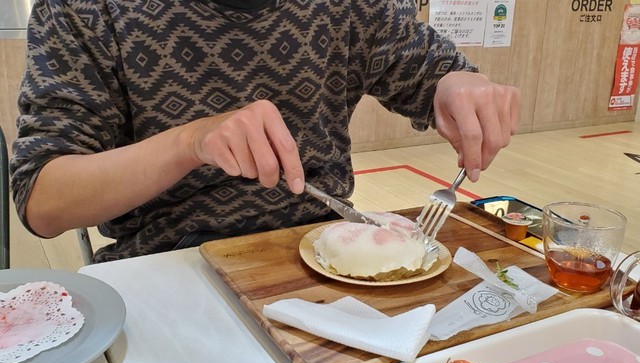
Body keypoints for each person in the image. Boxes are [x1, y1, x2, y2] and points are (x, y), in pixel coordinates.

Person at [11, 0, 520, 262]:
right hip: (167, 265)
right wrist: (190, 142)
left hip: (324, 252)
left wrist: (459, 83)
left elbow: (428, 70)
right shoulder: (86, 9)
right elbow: (43, 199)